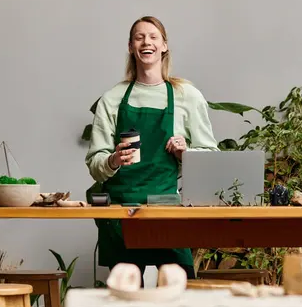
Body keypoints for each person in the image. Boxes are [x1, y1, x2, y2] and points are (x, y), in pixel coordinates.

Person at [85, 16, 218, 282]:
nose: (147, 42)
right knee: (126, 292)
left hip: (166, 208)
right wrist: (113, 159)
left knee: (180, 285)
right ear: (131, 46)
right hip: (120, 210)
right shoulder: (112, 99)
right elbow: (95, 164)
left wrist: (185, 154)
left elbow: (211, 159)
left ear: (165, 46)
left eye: (153, 37)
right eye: (139, 37)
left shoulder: (186, 96)